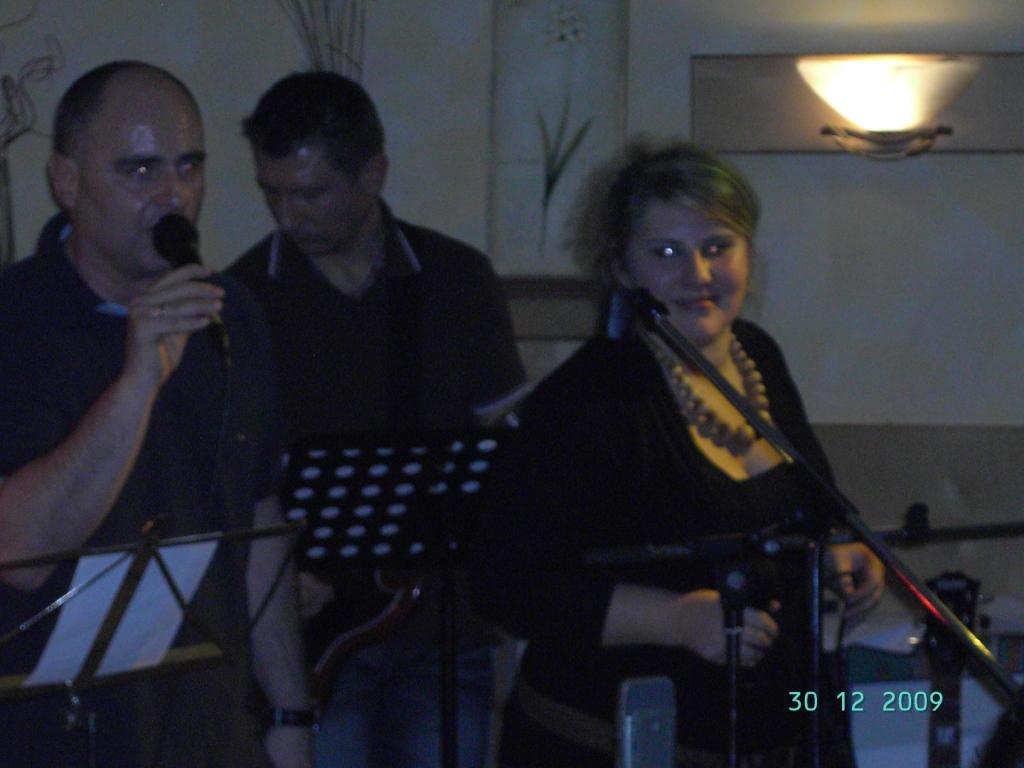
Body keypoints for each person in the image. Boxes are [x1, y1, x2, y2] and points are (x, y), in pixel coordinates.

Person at [472, 139, 885, 767]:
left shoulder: (759, 356)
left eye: (717, 247)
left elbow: (812, 503)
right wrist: (674, 619)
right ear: (621, 268)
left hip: (774, 735)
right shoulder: (587, 400)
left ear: (748, 252)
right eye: (666, 253)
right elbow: (508, 585)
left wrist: (838, 550)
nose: (698, 274)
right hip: (609, 745)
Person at [0, 61, 313, 768]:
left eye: (189, 167)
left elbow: (257, 519)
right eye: (139, 171)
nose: (173, 197)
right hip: (55, 736)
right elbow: (19, 551)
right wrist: (138, 379)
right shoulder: (15, 321)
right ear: (67, 181)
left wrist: (292, 711)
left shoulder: (235, 315)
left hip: (211, 731)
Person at [228, 72, 527, 768]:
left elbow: (508, 451)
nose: (286, 216)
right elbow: (227, 479)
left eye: (309, 194)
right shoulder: (242, 301)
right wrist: (275, 576)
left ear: (373, 174)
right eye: (271, 193)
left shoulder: (456, 279)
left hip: (442, 630)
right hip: (309, 640)